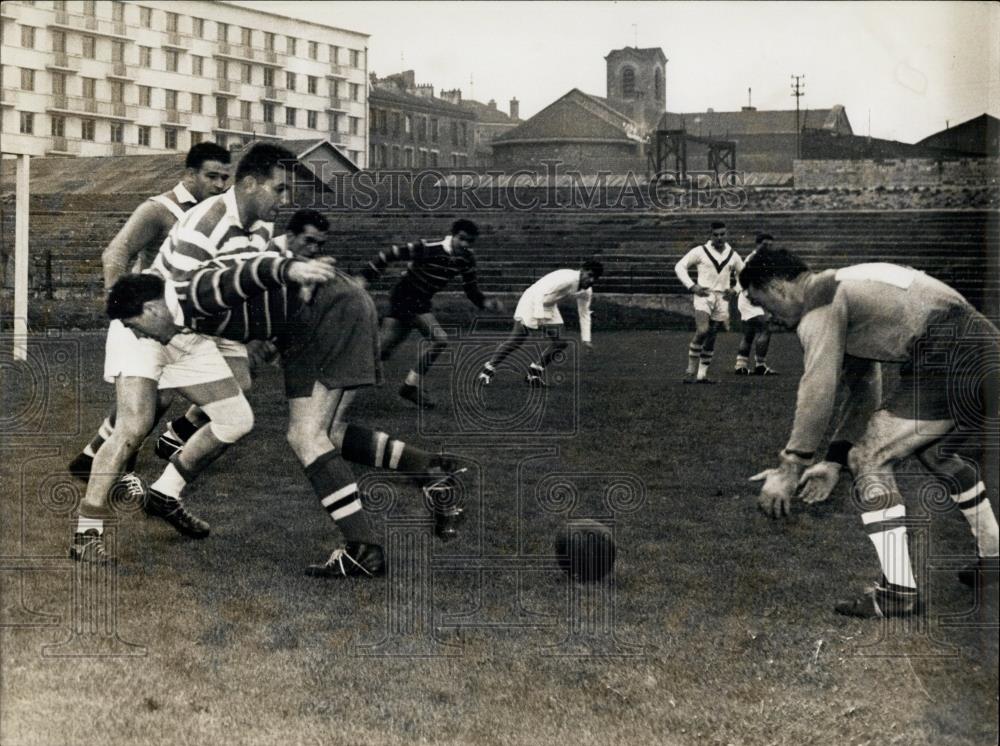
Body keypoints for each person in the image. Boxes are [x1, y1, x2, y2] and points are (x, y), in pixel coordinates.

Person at [104, 249, 466, 578]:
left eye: (135, 327)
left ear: (151, 309)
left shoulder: (191, 294)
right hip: (332, 312)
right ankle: (428, 470)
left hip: (325, 316)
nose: (139, 337)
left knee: (306, 436)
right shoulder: (184, 300)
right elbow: (247, 285)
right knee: (330, 433)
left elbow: (248, 273)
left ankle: (363, 550)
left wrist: (290, 268)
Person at [741, 247, 1000, 618]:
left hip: (951, 352)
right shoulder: (841, 285)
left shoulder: (820, 300)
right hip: (979, 347)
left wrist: (791, 466)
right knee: (934, 453)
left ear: (778, 287)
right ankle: (993, 555)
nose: (766, 313)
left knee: (870, 459)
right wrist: (832, 461)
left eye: (760, 301)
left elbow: (818, 386)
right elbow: (864, 382)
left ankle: (898, 591)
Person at [70, 143, 295, 563]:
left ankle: (165, 493)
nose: (284, 201)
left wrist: (263, 330)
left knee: (236, 418)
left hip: (188, 332)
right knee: (132, 426)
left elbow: (242, 288)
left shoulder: (260, 226)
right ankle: (87, 533)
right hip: (148, 326)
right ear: (250, 185)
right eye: (279, 190)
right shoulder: (203, 226)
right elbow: (180, 305)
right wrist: (251, 333)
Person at [67, 142, 232, 482]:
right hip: (148, 319)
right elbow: (117, 251)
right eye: (212, 176)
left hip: (182, 321)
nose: (219, 185)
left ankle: (92, 456)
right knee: (153, 398)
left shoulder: (215, 213)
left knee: (161, 398)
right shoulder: (159, 209)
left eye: (224, 178)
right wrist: (123, 309)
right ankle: (105, 459)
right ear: (189, 175)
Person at [357, 219, 503, 409]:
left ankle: (339, 377)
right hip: (404, 297)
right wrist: (364, 278)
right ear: (453, 235)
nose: (465, 245)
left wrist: (485, 302)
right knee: (439, 339)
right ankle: (410, 387)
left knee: (381, 352)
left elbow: (471, 289)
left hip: (421, 302)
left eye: (470, 241)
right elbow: (390, 254)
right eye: (462, 239)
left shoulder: (466, 259)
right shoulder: (429, 247)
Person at [477, 260, 603, 386]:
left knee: (561, 342)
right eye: (590, 275)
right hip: (532, 301)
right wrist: (538, 316)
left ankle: (534, 373)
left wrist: (586, 339)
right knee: (516, 341)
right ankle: (487, 370)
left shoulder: (587, 291)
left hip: (549, 305)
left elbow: (584, 312)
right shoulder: (567, 278)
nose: (591, 280)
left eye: (595, 278)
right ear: (581, 270)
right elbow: (539, 291)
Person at [674, 222, 744, 384]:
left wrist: (735, 289)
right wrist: (692, 286)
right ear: (710, 235)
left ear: (727, 234)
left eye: (722, 234)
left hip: (722, 298)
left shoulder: (733, 254)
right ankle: (690, 370)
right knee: (703, 330)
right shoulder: (700, 251)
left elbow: (744, 275)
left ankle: (702, 375)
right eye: (716, 235)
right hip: (704, 295)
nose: (719, 237)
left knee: (711, 336)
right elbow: (680, 266)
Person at [734, 233, 778, 376]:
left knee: (749, 333)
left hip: (757, 299)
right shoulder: (752, 260)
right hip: (750, 300)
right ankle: (760, 365)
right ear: (757, 245)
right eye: (764, 245)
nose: (768, 248)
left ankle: (740, 365)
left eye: (770, 245)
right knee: (765, 328)